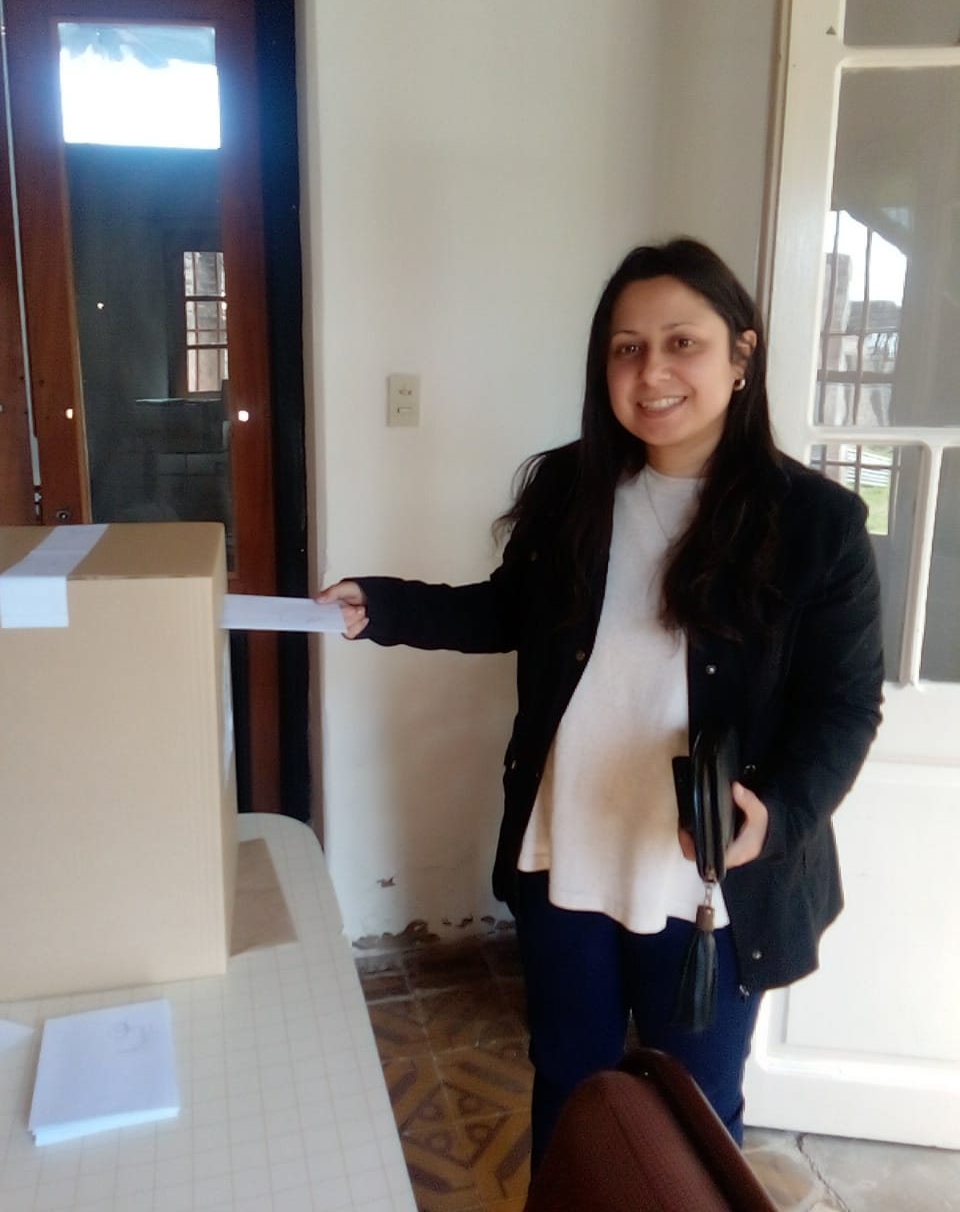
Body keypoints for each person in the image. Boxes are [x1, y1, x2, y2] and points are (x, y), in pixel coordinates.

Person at [318, 238, 884, 1172]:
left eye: (681, 342)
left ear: (741, 355)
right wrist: (384, 606)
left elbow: (844, 706)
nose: (651, 372)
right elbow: (512, 610)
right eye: (627, 348)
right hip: (568, 852)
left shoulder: (815, 523)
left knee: (693, 1115)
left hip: (708, 883)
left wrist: (779, 814)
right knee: (571, 1085)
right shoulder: (570, 487)